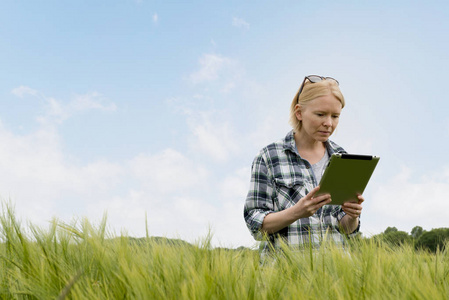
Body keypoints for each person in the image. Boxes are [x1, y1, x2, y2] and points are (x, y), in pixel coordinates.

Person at [244, 75, 363, 254]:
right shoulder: (269, 157)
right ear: (299, 112)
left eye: (335, 116)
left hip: (335, 276)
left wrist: (352, 216)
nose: (329, 123)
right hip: (284, 276)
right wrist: (296, 212)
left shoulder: (343, 158)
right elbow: (255, 225)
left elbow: (346, 230)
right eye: (320, 114)